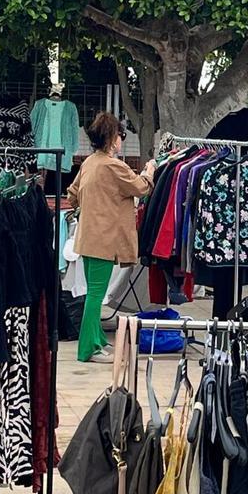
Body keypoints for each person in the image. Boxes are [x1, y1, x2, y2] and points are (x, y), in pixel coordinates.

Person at [66, 113, 155, 363]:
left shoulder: (89, 162)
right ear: (111, 138)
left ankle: (96, 340)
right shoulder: (113, 165)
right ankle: (88, 349)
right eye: (120, 135)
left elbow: (72, 194)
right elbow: (141, 188)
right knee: (96, 296)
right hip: (104, 241)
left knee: (93, 293)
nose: (121, 140)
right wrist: (149, 171)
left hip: (88, 239)